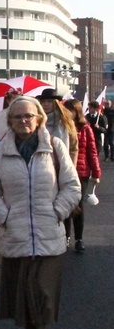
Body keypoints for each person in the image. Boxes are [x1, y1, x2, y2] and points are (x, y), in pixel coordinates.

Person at [0, 96, 80, 329]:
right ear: (10, 122)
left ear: (39, 118)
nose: (23, 121)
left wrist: (56, 212)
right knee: (23, 292)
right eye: (18, 117)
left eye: (28, 116)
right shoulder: (1, 151)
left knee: (41, 292)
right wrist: (4, 216)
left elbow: (72, 187)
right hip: (16, 233)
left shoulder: (55, 147)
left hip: (49, 234)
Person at [63, 99, 102, 254]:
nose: (68, 113)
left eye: (71, 110)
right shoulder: (61, 127)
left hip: (81, 172)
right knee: (64, 205)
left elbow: (92, 152)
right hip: (63, 171)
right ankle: (65, 237)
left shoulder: (85, 128)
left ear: (77, 111)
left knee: (78, 206)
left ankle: (78, 238)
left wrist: (96, 173)